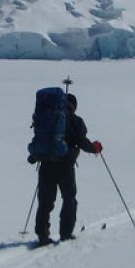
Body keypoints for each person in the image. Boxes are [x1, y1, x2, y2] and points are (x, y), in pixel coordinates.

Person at [29, 94, 102, 247]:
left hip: (46, 164)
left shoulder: (46, 117)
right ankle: (66, 234)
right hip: (65, 167)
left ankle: (42, 235)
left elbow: (41, 139)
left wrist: (34, 156)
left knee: (45, 202)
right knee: (69, 199)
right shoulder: (76, 120)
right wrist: (94, 147)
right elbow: (82, 142)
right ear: (74, 106)